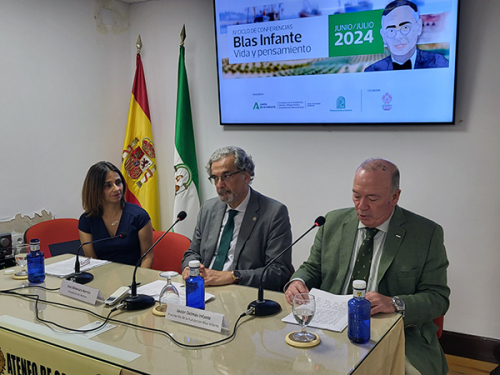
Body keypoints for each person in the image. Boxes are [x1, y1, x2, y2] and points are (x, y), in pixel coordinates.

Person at [285, 158, 450, 375]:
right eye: (356, 195)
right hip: (331, 327)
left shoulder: (426, 234)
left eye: (372, 198)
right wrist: (298, 281)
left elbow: (438, 298)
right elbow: (313, 267)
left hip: (397, 334)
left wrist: (395, 303)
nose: (361, 206)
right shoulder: (333, 222)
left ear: (395, 197)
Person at [181, 146, 292, 291]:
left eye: (226, 176)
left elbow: (278, 271)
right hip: (204, 288)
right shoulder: (208, 208)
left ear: (246, 176)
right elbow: (192, 253)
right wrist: (190, 267)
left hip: (241, 291)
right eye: (215, 178)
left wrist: (231, 276)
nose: (220, 185)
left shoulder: (274, 213)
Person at [79, 161, 153, 268]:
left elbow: (148, 257)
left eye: (118, 182)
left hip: (133, 277)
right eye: (108, 186)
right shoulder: (87, 220)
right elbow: (92, 260)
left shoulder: (139, 216)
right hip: (102, 278)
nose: (116, 188)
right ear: (95, 190)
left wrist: (136, 282)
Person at [365, 0, 449, 72]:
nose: (398, 36)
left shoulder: (437, 62)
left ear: (418, 27)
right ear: (383, 36)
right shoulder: (373, 70)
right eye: (391, 30)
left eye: (405, 28)